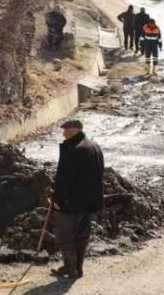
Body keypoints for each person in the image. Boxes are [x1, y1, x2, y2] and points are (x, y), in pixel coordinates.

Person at [51, 119, 104, 280]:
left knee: (65, 237)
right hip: (88, 203)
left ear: (74, 130)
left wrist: (58, 200)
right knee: (82, 237)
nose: (63, 133)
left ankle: (70, 269)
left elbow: (65, 179)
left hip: (71, 203)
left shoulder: (73, 149)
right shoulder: (94, 146)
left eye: (65, 130)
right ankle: (77, 269)